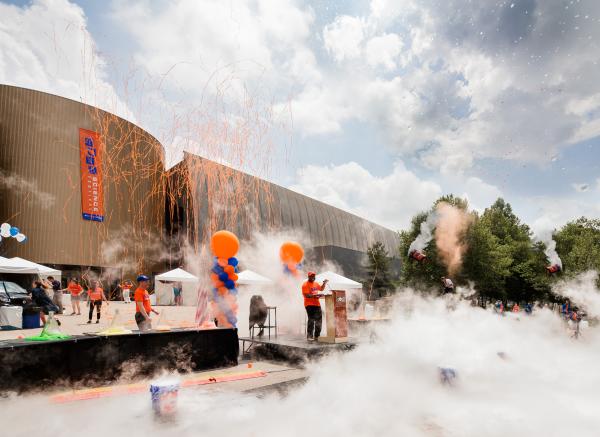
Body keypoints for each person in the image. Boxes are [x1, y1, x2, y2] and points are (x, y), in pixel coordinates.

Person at [302, 271, 328, 341]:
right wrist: (316, 295)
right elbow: (306, 295)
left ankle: (317, 336)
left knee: (319, 320)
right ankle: (309, 336)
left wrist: (324, 283)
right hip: (309, 304)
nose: (312, 277)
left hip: (317, 304)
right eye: (311, 276)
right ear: (308, 277)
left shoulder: (316, 284)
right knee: (311, 319)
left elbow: (321, 289)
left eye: (313, 276)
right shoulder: (305, 285)